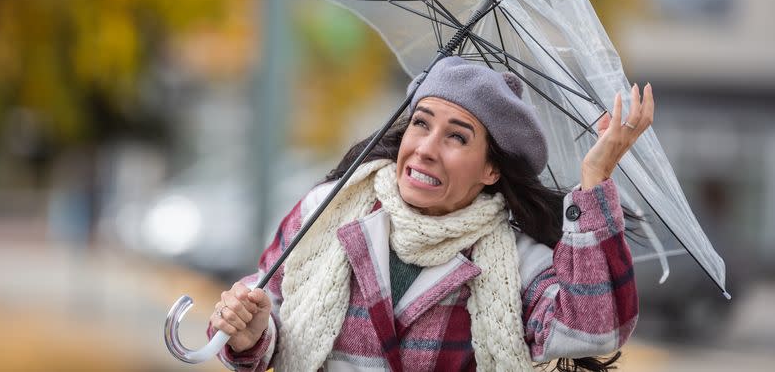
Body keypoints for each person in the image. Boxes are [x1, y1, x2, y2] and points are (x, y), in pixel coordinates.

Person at [206, 56, 653, 371]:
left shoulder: (518, 264)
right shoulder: (327, 211)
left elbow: (593, 331)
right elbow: (270, 315)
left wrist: (595, 177)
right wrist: (250, 333)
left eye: (457, 138)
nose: (425, 149)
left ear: (492, 169)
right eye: (421, 123)